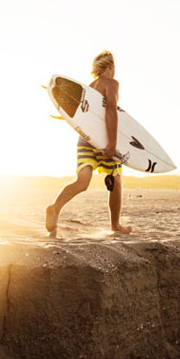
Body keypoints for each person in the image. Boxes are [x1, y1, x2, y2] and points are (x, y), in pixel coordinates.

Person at [45, 51, 132, 236]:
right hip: (103, 139)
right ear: (110, 67)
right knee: (115, 180)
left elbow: (78, 116)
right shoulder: (112, 83)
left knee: (82, 181)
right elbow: (110, 111)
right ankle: (115, 226)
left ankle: (55, 207)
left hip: (85, 140)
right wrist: (111, 143)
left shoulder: (89, 87)